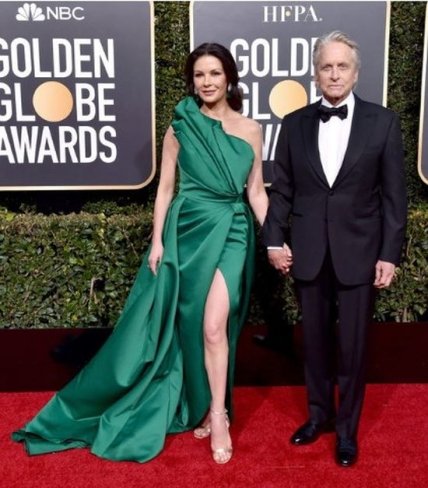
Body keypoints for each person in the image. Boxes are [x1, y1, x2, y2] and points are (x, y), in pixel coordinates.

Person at [12, 43, 269, 465]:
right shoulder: (181, 127)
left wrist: (276, 238)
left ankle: (218, 414)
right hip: (188, 231)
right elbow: (165, 189)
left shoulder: (251, 129)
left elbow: (255, 191)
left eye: (214, 73)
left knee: (213, 326)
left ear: (229, 78)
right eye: (199, 75)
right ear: (192, 81)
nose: (207, 82)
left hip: (233, 229)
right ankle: (206, 405)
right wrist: (158, 241)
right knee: (191, 325)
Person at [263, 31, 407, 467]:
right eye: (326, 66)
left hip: (360, 252)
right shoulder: (294, 123)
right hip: (308, 251)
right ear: (315, 73)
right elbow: (282, 189)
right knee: (315, 344)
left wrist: (389, 254)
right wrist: (274, 239)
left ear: (356, 73)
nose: (334, 74)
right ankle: (318, 416)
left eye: (342, 66)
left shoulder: (383, 122)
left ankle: (347, 431)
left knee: (353, 348)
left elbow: (394, 198)